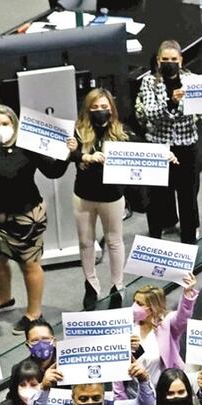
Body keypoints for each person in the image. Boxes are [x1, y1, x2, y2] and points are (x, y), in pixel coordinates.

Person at [0, 104, 68, 334]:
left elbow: (53, 171)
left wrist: (65, 153)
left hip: (26, 218)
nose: (1, 128)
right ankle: (4, 298)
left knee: (28, 265)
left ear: (14, 124)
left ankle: (34, 313)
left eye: (6, 123)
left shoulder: (28, 145)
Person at [135, 39, 202, 244]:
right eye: (165, 59)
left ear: (181, 60)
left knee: (188, 196)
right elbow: (151, 114)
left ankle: (188, 240)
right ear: (158, 61)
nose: (169, 62)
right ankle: (156, 239)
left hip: (186, 147)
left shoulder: (192, 80)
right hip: (159, 147)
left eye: (173, 59)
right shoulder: (149, 82)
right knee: (157, 195)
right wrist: (172, 102)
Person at [65, 88, 130, 310]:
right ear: (87, 110)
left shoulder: (122, 132)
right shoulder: (78, 131)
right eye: (94, 108)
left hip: (112, 196)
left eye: (104, 107)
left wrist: (164, 155)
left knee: (114, 241)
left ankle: (117, 286)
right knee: (85, 242)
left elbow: (143, 154)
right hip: (84, 195)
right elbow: (68, 155)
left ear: (111, 108)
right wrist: (83, 155)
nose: (100, 111)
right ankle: (91, 285)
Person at [128, 276, 198, 383]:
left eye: (140, 304)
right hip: (132, 391)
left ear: (152, 307)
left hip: (162, 390)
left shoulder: (167, 324)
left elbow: (182, 318)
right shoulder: (128, 326)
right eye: (134, 301)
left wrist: (187, 294)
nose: (134, 306)